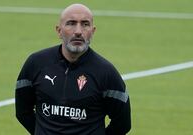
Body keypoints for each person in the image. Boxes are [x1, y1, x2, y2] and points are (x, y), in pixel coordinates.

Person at [15, 3, 131, 135]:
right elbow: (23, 112)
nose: (78, 31)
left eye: (85, 24)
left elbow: (123, 124)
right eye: (71, 23)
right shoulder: (36, 64)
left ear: (92, 32)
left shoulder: (106, 73)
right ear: (59, 31)